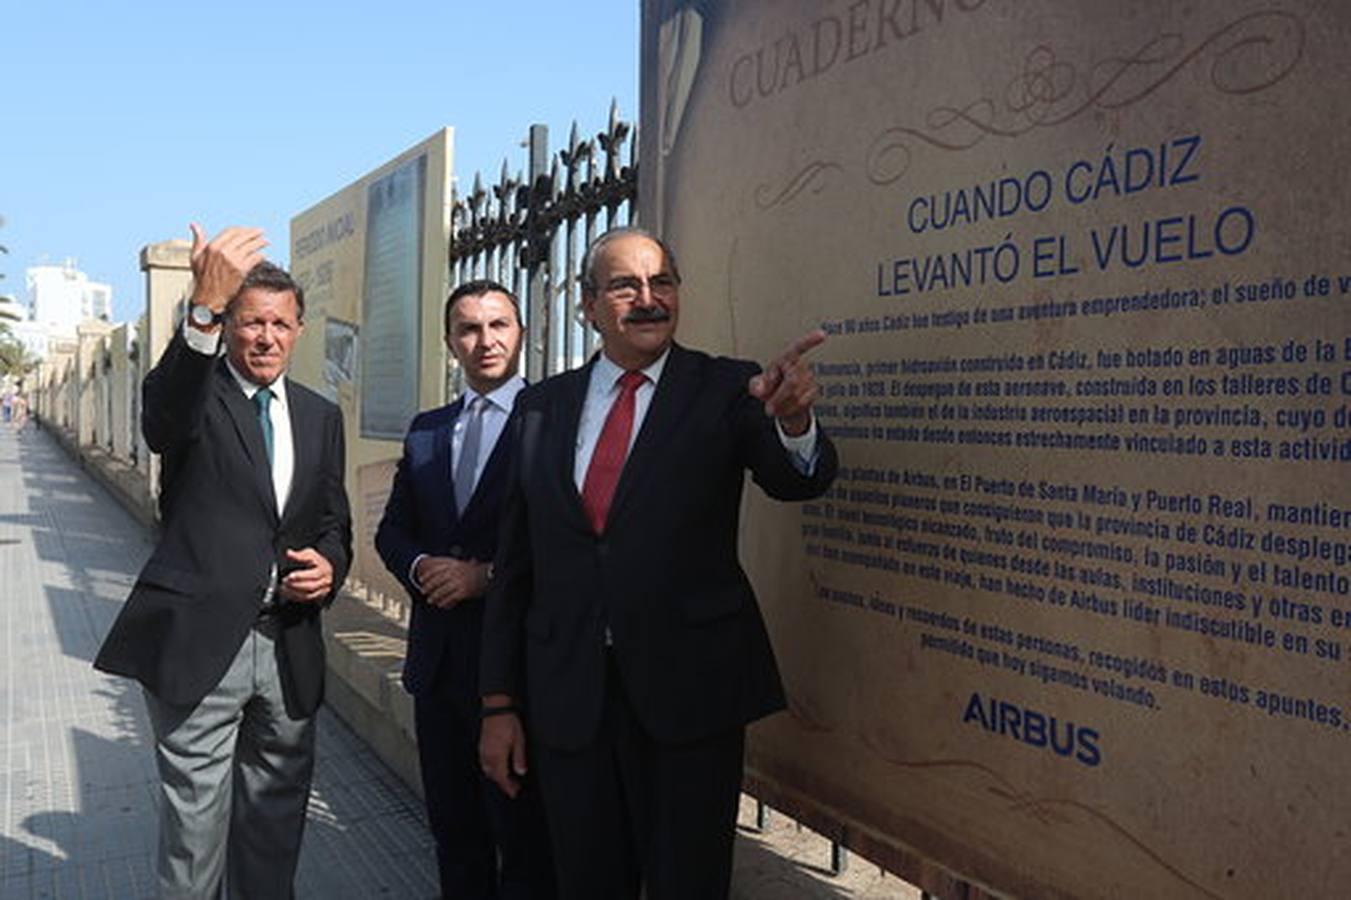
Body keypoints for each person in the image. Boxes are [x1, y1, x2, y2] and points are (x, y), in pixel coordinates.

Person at [478, 227, 838, 899]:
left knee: (688, 883)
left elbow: (797, 481)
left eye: (661, 283)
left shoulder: (729, 389)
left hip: (689, 697)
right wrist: (498, 704)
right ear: (587, 306)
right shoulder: (540, 408)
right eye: (625, 286)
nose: (648, 300)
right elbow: (516, 567)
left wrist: (792, 424)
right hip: (568, 700)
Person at [94, 224, 352, 899]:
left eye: (279, 323)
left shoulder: (319, 415)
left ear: (298, 329)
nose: (265, 337)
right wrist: (200, 313)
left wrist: (329, 566)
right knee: (194, 836)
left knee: (276, 823)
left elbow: (332, 519)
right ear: (228, 327)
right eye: (249, 322)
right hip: (203, 644)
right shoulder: (196, 397)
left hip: (289, 643)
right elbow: (161, 420)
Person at [375, 279, 555, 899]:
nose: (485, 341)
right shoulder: (428, 430)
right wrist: (422, 564)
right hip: (440, 667)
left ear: (522, 334)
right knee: (455, 835)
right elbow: (392, 530)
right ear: (451, 342)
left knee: (526, 843)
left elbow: (569, 545)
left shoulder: (553, 419)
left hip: (522, 673)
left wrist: (487, 578)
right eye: (470, 329)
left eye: (499, 325)